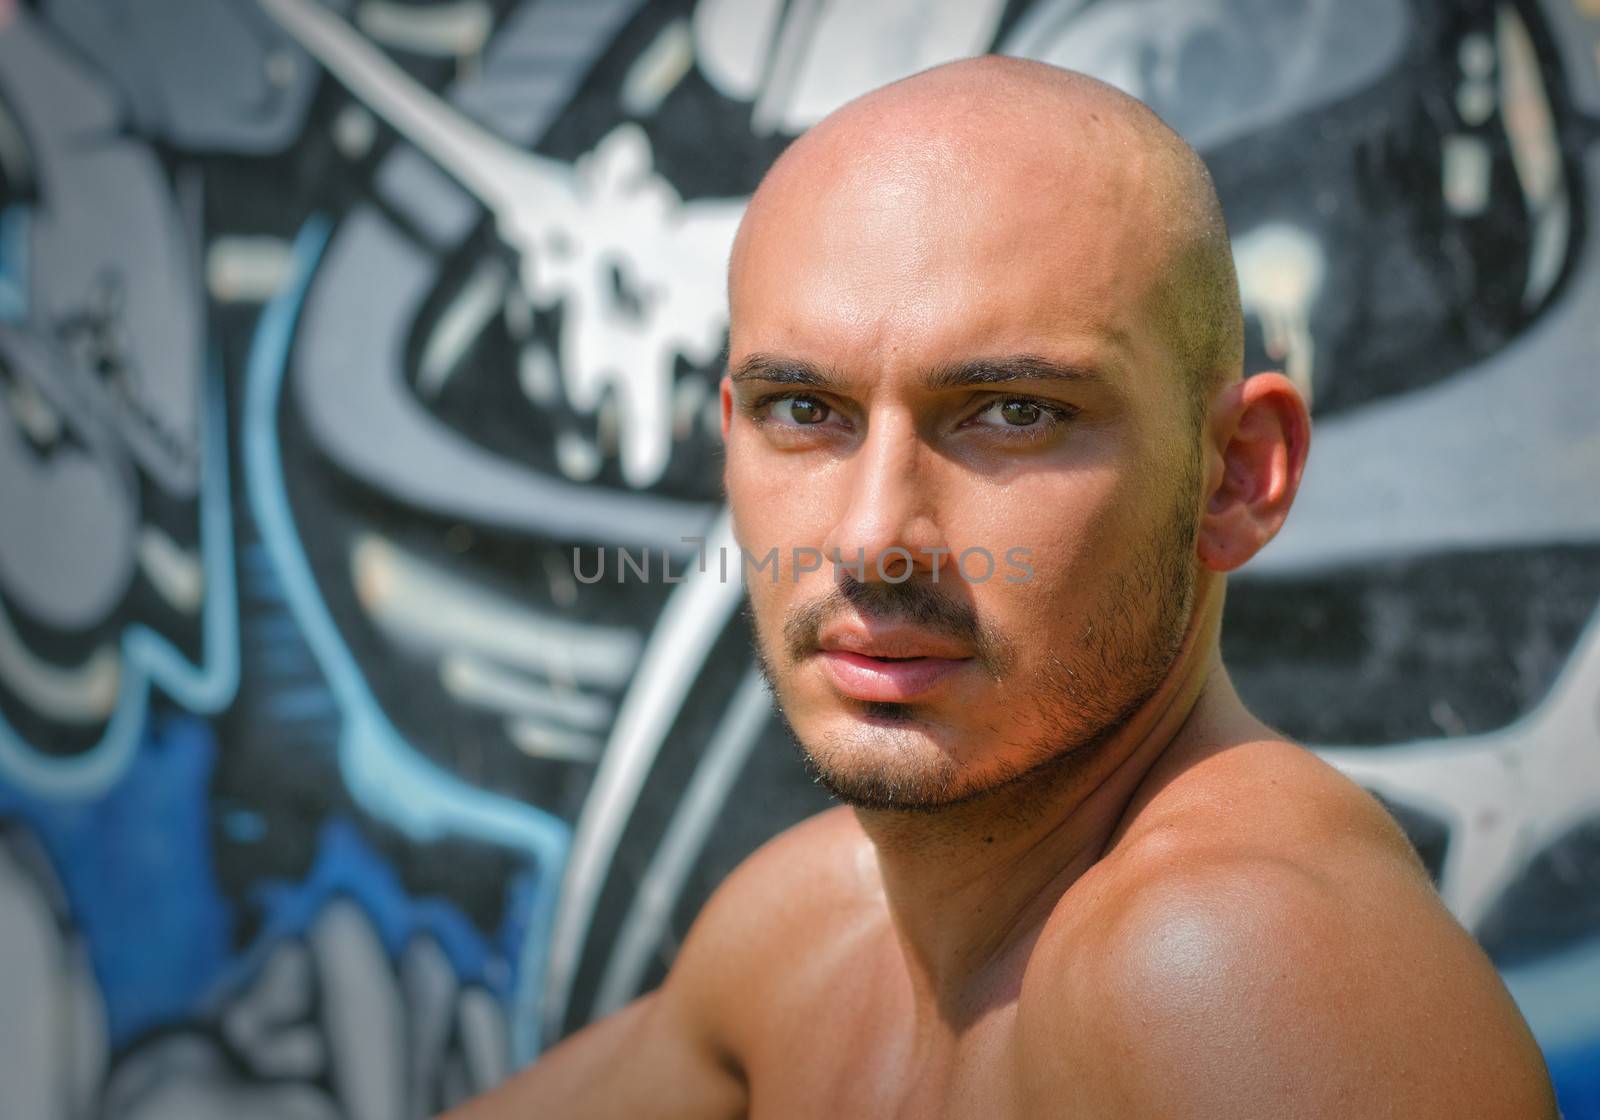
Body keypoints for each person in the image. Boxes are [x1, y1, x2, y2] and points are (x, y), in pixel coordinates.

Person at [447, 56, 1557, 1118]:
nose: (874, 537)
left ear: (1235, 475)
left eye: (1012, 412)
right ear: (731, 434)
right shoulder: (811, 926)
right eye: (804, 410)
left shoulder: (1231, 963)